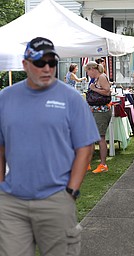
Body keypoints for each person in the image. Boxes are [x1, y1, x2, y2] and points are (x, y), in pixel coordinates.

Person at [0, 37, 100, 256]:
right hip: (12, 202)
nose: (47, 68)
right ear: (25, 64)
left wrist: (70, 192)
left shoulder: (71, 99)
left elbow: (85, 148)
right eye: (39, 62)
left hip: (56, 199)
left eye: (51, 62)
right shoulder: (5, 98)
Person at [84, 61, 112, 173]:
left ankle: (103, 164)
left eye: (87, 71)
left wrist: (94, 89)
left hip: (101, 111)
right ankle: (87, 163)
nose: (88, 74)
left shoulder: (101, 77)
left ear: (92, 69)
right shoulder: (96, 79)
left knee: (100, 138)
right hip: (95, 110)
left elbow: (107, 92)